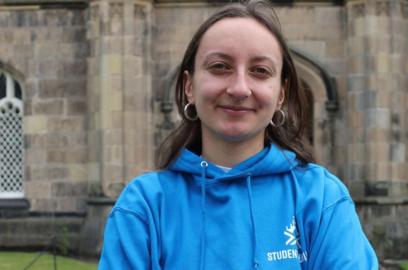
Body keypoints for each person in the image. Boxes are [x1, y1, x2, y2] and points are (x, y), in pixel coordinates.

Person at [99, 0, 378, 269]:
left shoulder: (321, 198)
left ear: (280, 94)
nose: (240, 88)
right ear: (189, 86)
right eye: (220, 66)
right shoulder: (144, 206)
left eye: (260, 70)